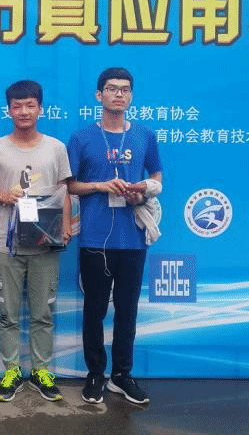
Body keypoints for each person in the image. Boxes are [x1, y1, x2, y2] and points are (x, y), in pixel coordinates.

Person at [67, 67, 163, 405]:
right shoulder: (81, 138)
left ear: (131, 96)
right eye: (111, 88)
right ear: (99, 95)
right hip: (95, 238)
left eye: (124, 89)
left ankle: (121, 375)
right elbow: (70, 185)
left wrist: (143, 190)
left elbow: (156, 175)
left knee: (127, 310)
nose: (118, 94)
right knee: (94, 309)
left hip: (133, 237)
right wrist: (100, 186)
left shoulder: (144, 136)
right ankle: (95, 373)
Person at [0, 80, 72, 403]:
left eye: (30, 105)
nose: (23, 111)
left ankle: (41, 371)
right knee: (7, 313)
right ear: (8, 110)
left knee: (43, 312)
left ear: (40, 109)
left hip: (45, 241)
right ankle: (12, 371)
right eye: (17, 106)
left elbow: (64, 191)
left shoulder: (56, 148)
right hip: (6, 242)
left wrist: (65, 226)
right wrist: (4, 196)